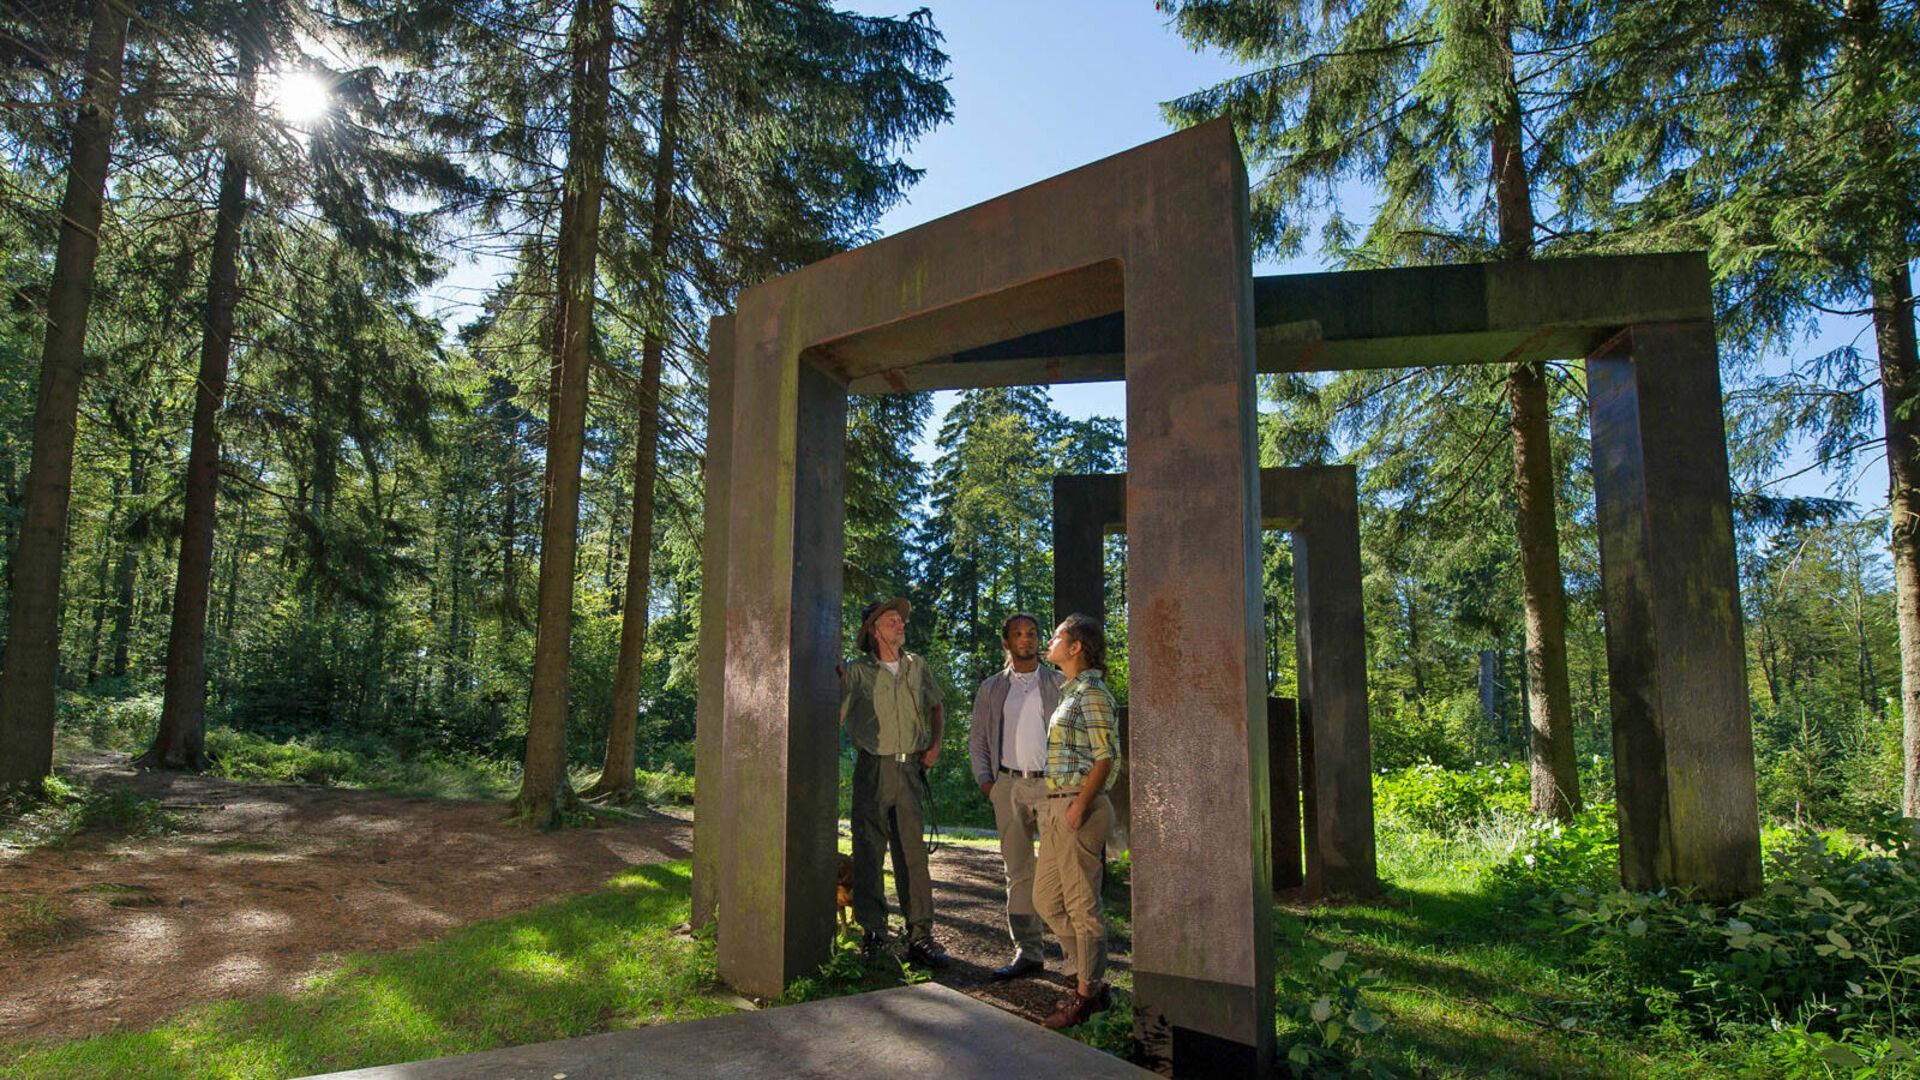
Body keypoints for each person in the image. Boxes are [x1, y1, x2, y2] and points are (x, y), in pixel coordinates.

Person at [839, 596, 951, 967]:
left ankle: (920, 935)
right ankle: (873, 933)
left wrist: (934, 746)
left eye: (900, 621)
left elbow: (937, 706)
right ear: (873, 630)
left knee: (913, 855)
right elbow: (833, 714)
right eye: (891, 621)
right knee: (868, 852)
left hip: (910, 772)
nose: (900, 625)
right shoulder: (854, 672)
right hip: (872, 768)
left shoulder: (917, 666)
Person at [968, 612, 1066, 981]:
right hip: (1007, 785)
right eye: (1017, 634)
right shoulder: (992, 688)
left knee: (1062, 871)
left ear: (1039, 640)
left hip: (1053, 788)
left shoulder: (1059, 683)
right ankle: (1028, 952)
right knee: (1019, 872)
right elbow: (978, 739)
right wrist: (988, 785)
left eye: (1032, 633)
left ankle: (1076, 959)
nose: (1025, 639)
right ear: (1006, 642)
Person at [1034, 613, 1119, 1029]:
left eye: (1056, 637)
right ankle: (1089, 978)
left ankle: (1085, 996)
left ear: (1076, 647)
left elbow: (1105, 758)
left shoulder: (1094, 694)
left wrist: (1079, 805)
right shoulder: (1070, 694)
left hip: (1079, 806)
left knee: (1084, 906)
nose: (1048, 642)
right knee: (1046, 899)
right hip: (1057, 805)